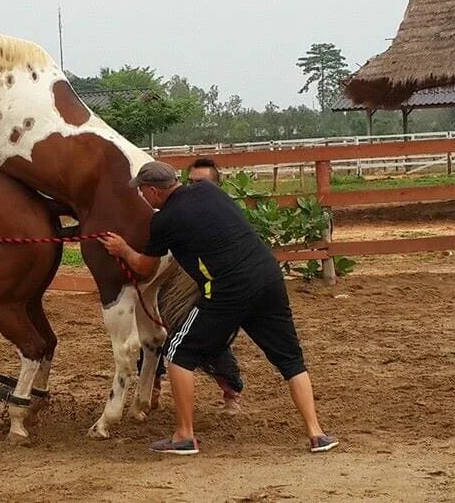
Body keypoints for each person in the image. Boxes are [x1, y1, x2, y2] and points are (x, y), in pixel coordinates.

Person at [101, 161, 338, 455]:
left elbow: (145, 268)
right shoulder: (210, 191)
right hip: (268, 278)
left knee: (178, 351)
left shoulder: (165, 220)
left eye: (142, 192)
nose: (142, 198)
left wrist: (123, 249)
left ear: (153, 191)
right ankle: (316, 433)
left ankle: (184, 435)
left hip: (229, 290)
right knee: (290, 359)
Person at [139, 157, 245, 414]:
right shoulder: (171, 211)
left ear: (215, 186)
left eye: (202, 182)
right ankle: (151, 388)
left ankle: (231, 391)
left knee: (208, 338)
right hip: (172, 276)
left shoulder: (220, 213)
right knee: (152, 331)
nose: (195, 187)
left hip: (203, 282)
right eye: (192, 181)